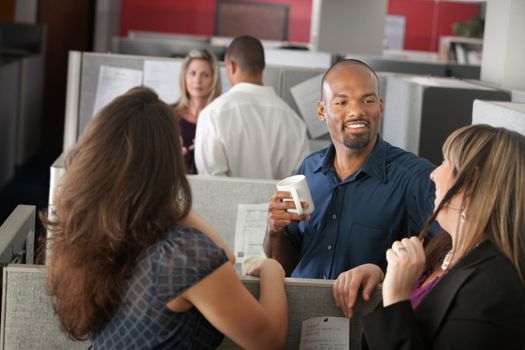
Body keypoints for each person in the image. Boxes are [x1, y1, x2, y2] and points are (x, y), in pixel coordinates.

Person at [42, 87, 288, 349]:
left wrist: (159, 197)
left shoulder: (100, 231)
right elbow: (269, 341)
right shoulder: (180, 256)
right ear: (168, 163)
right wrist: (273, 269)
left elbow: (222, 257)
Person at [264, 59, 437, 317]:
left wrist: (384, 274)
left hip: (365, 325)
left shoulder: (415, 177)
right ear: (322, 111)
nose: (356, 111)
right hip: (299, 316)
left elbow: (446, 257)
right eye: (342, 102)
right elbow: (285, 265)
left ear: (380, 106)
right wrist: (275, 230)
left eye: (367, 100)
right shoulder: (308, 170)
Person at [361, 124, 525, 349]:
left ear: (470, 184)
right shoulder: (444, 248)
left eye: (446, 161)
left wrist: (396, 298)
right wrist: (383, 278)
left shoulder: (494, 292)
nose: (433, 173)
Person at [194, 35, 310, 179]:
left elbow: (212, 183)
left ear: (231, 66)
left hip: (228, 201)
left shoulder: (212, 114)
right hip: (277, 201)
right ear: (263, 67)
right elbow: (299, 182)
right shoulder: (293, 120)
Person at [172, 49, 221, 174]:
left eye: (205, 75)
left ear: (213, 79)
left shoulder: (219, 118)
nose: (197, 80)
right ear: (184, 77)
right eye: (192, 73)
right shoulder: (169, 114)